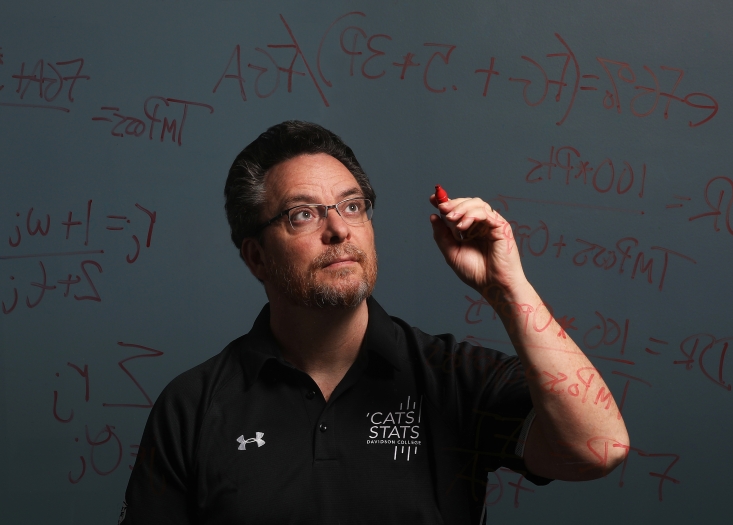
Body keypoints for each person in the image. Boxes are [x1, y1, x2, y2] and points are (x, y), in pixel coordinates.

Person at [120, 120, 629, 524]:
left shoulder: (452, 376)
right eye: (303, 214)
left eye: (352, 206)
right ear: (257, 257)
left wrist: (509, 289)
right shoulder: (192, 407)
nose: (339, 229)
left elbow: (599, 449)